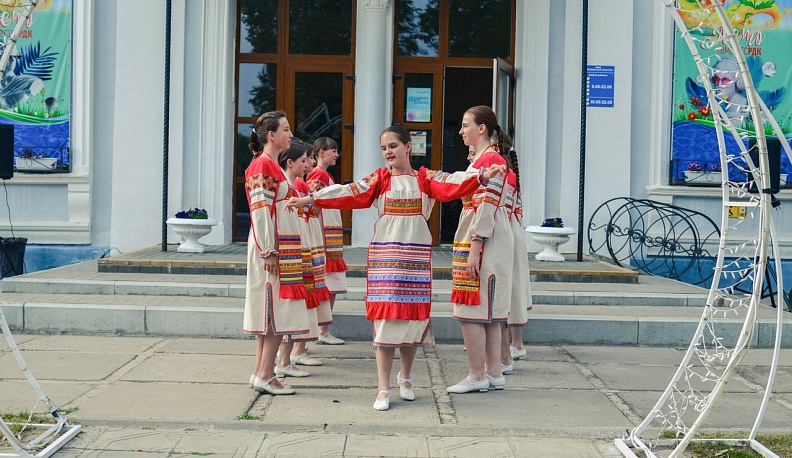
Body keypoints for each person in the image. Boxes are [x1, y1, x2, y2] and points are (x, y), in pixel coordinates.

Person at [287, 125, 503, 411]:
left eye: (393, 146)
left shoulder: (425, 178)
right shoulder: (380, 179)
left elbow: (452, 183)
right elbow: (350, 192)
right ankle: (383, 388)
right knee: (386, 321)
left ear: (408, 147)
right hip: (386, 258)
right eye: (384, 148)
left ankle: (406, 377)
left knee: (412, 320)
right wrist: (311, 198)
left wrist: (480, 176)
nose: (388, 152)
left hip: (414, 260)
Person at [243, 110, 310, 396]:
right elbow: (260, 211)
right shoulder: (263, 166)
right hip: (272, 248)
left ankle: (262, 372)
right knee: (273, 309)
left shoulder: (269, 166)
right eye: (286, 129)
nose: (290, 134)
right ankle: (266, 374)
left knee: (270, 309)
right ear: (272, 135)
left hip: (279, 245)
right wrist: (268, 250)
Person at [448, 105, 514, 394]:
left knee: (472, 307)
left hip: (482, 236)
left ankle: (477, 374)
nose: (461, 131)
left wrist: (475, 246)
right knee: (488, 307)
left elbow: (486, 207)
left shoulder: (490, 161)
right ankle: (493, 371)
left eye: (466, 125)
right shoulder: (488, 159)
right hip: (489, 235)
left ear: (482, 128)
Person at [274, 139, 326, 378]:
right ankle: (285, 359)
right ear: (290, 161)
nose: (308, 164)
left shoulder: (293, 184)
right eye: (304, 160)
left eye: (308, 160)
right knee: (294, 300)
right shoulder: (289, 184)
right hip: (295, 245)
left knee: (300, 299)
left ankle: (287, 357)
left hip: (302, 241)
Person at [306, 137, 347, 345]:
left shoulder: (325, 175)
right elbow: (313, 206)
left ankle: (323, 329)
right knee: (328, 284)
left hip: (328, 236)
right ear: (322, 153)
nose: (336, 155)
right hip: (324, 237)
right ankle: (322, 329)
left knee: (332, 284)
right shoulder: (318, 175)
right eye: (333, 151)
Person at [499, 132, 532, 373]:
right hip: (510, 231)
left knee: (511, 288)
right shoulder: (508, 173)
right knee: (508, 286)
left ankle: (516, 343)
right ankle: (506, 343)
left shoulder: (504, 174)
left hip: (507, 232)